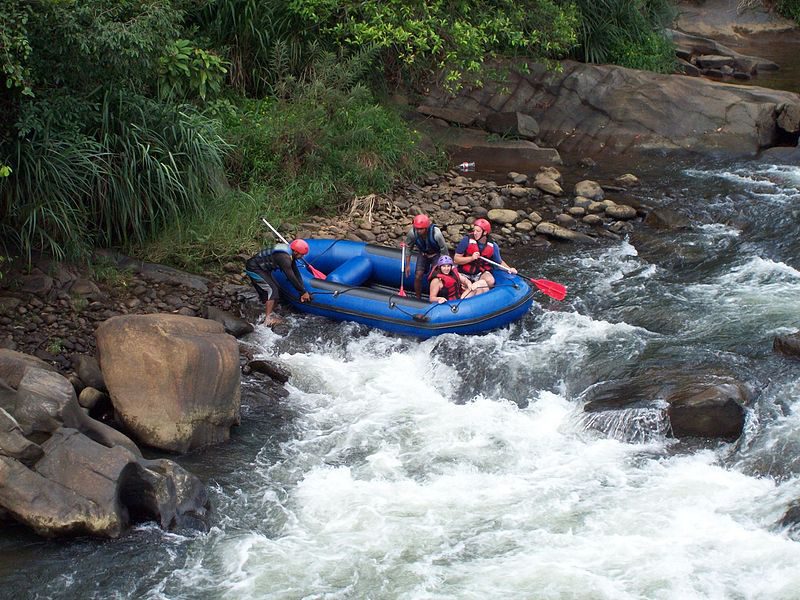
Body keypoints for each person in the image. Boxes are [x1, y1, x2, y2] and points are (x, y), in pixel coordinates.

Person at [245, 239, 312, 325]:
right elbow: (290, 276)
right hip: (254, 268)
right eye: (302, 255)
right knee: (272, 290)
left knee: (277, 289)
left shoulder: (290, 254)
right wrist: (303, 292)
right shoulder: (284, 257)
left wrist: (303, 290)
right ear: (295, 252)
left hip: (263, 269)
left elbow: (296, 272)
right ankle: (267, 319)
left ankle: (272, 312)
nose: (302, 257)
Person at [453, 218, 516, 292]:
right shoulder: (466, 240)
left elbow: (499, 262)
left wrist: (509, 269)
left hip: (479, 272)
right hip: (463, 272)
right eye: (474, 230)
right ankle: (470, 289)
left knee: (490, 281)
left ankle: (476, 290)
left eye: (478, 231)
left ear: (485, 232)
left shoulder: (493, 246)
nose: (475, 233)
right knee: (455, 281)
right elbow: (456, 259)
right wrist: (471, 258)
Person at [403, 214, 449, 299]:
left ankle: (435, 297)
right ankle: (418, 298)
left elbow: (444, 249)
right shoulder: (412, 233)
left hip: (436, 254)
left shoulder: (436, 234)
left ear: (426, 227)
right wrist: (407, 265)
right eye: (417, 229)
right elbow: (408, 248)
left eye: (421, 229)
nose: (419, 231)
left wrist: (442, 265)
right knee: (418, 275)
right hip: (423, 254)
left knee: (435, 277)